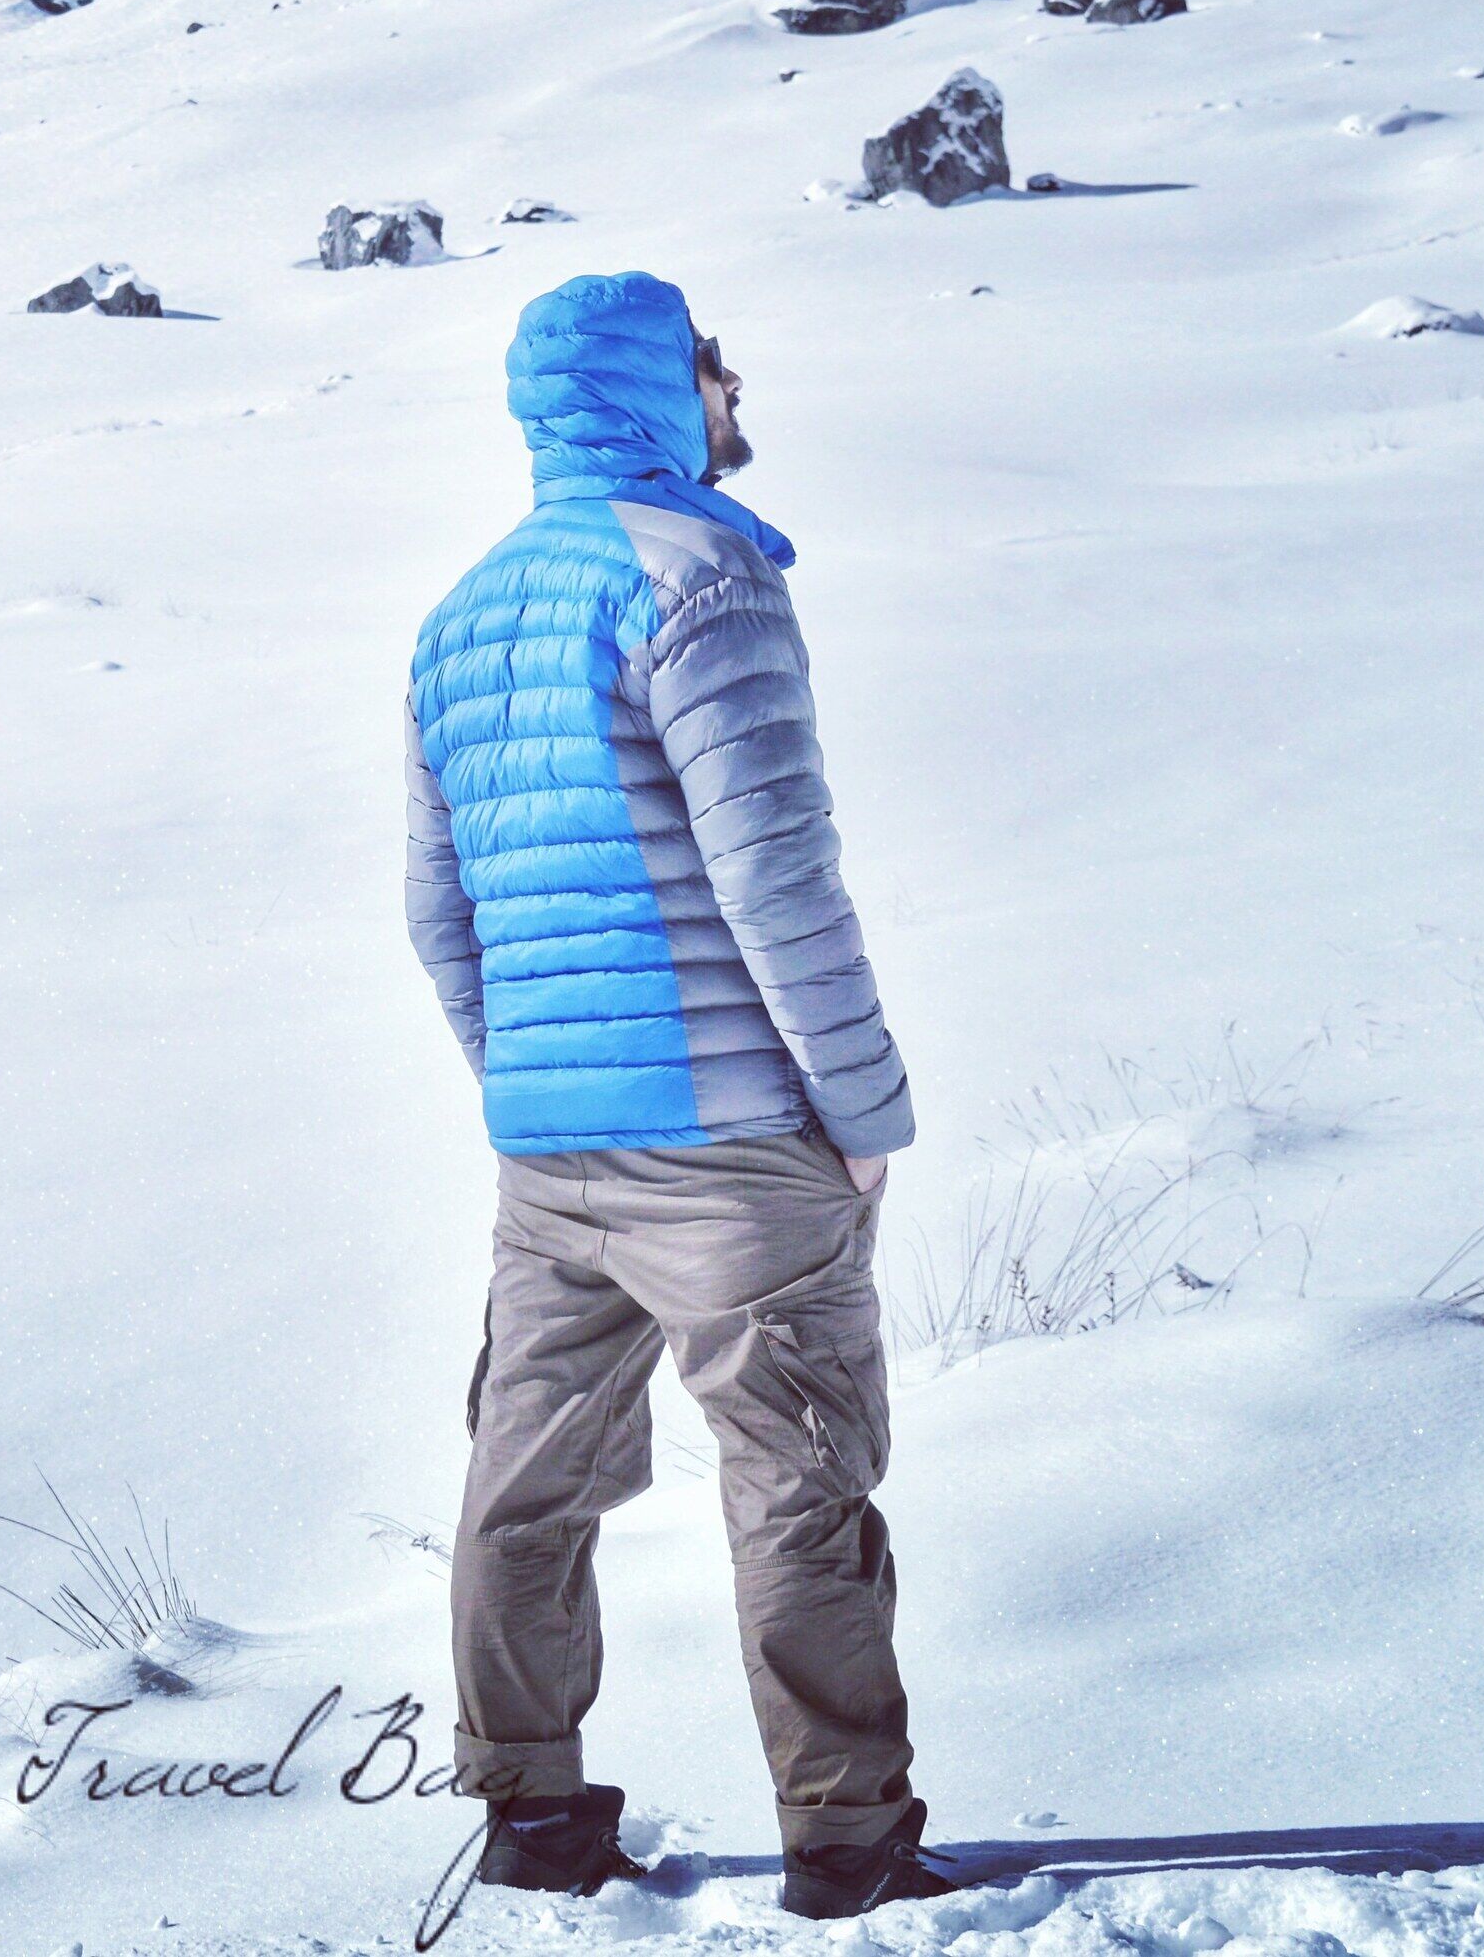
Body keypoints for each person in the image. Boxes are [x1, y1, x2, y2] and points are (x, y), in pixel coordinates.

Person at [402, 271, 958, 1917]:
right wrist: (863, 1115)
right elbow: (776, 874)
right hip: (731, 1152)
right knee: (794, 1475)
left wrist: (536, 1089)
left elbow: (441, 916)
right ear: (663, 385)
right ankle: (851, 1846)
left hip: (548, 1155)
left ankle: (531, 1822)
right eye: (720, 369)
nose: (741, 395)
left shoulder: (461, 615)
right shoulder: (703, 579)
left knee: (525, 1482)